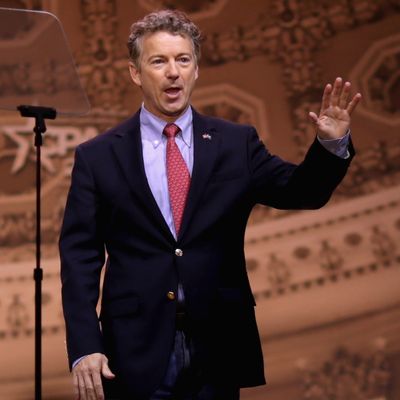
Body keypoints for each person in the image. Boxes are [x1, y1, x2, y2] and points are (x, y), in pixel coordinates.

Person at [59, 9, 361, 400]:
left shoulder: (236, 142)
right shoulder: (98, 157)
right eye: (159, 61)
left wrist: (331, 145)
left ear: (196, 69)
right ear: (136, 73)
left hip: (218, 344)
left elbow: (303, 191)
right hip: (135, 350)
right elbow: (79, 257)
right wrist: (85, 346)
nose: (173, 72)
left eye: (183, 60)